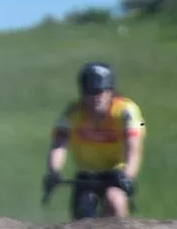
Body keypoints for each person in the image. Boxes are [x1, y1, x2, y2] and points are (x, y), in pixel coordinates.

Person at [44, 63, 144, 218]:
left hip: (116, 173)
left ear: (110, 91)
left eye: (99, 91)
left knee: (115, 200)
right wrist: (54, 171)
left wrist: (128, 176)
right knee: (83, 215)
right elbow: (59, 143)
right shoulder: (72, 112)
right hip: (86, 174)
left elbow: (134, 149)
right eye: (89, 92)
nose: (94, 98)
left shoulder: (127, 112)